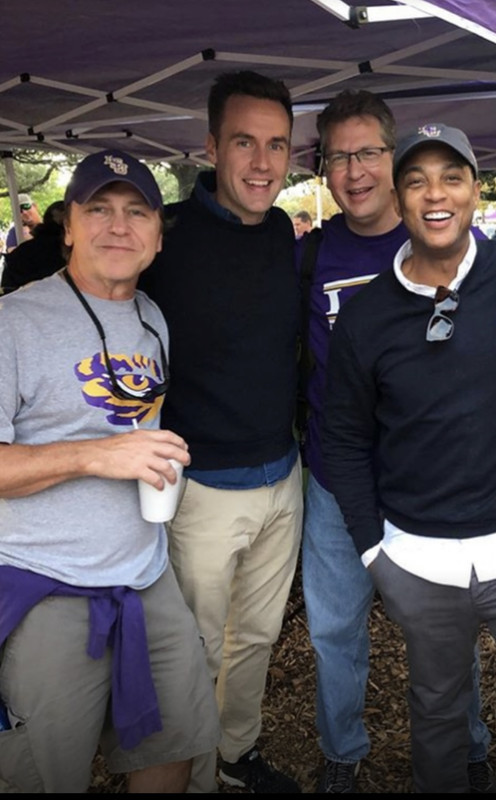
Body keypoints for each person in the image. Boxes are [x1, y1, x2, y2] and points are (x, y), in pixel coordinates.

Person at [0, 149, 220, 793]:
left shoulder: (151, 318)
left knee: (175, 747)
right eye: (99, 209)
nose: (118, 226)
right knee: (44, 775)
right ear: (68, 225)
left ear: (157, 236)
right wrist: (95, 455)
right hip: (48, 585)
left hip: (146, 576)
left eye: (136, 212)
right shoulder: (14, 322)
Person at [300, 91, 493, 793]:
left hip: (426, 481)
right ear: (324, 168)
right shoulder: (308, 256)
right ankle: (340, 754)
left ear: (394, 156)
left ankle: (468, 749)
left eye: (368, 153)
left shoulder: (445, 240)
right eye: (338, 157)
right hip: (334, 479)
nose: (354, 171)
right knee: (334, 630)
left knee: (445, 631)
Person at [138, 71, 302, 794]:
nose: (262, 163)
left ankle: (235, 755)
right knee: (196, 649)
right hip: (201, 488)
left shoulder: (285, 234)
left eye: (277, 145)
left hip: (283, 476)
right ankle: (195, 775)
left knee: (257, 638)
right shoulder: (165, 239)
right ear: (210, 147)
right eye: (244, 143)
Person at [1, 200, 66, 293]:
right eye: (19, 210)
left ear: (35, 206)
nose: (24, 212)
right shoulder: (69, 252)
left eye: (26, 206)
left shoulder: (22, 251)